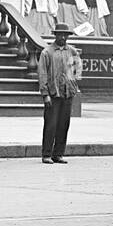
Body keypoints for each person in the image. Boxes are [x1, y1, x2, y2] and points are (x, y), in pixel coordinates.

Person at [38, 22, 82, 164]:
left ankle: (58, 154)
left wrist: (74, 86)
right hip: (53, 94)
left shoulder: (72, 52)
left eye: (65, 35)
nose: (63, 37)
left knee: (64, 125)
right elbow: (42, 74)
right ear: (55, 35)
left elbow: (77, 70)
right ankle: (46, 154)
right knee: (51, 125)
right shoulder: (47, 52)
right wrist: (45, 94)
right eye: (60, 35)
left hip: (67, 93)